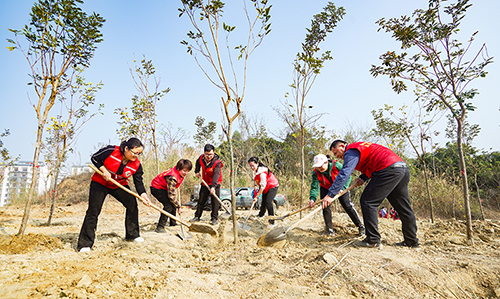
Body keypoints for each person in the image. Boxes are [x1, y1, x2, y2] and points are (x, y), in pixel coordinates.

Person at [322, 140, 419, 248]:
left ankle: (372, 239)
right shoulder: (361, 146)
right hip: (401, 168)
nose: (337, 156)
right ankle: (411, 241)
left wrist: (330, 194)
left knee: (368, 201)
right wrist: (363, 177)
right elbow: (373, 163)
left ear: (342, 146)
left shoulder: (351, 150)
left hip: (387, 169)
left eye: (336, 152)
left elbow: (345, 173)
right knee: (403, 207)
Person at [77, 138, 152, 252]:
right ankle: (85, 244)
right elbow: (95, 158)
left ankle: (132, 235)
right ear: (126, 148)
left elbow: (138, 181)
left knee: (132, 204)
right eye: (134, 153)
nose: (136, 156)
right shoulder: (111, 151)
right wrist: (104, 171)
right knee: (93, 211)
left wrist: (143, 195)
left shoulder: (136, 164)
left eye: (139, 154)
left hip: (118, 185)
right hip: (100, 184)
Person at [308, 154, 365, 237]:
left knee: (347, 205)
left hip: (340, 187)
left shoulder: (336, 166)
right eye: (317, 166)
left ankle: (361, 226)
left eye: (321, 165)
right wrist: (312, 199)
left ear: (326, 162)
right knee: (325, 206)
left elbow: (347, 176)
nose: (319, 168)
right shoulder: (316, 172)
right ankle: (329, 229)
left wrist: (343, 188)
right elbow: (315, 186)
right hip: (325, 188)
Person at [150, 159, 193, 233]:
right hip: (156, 188)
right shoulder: (172, 177)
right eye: (184, 170)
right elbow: (171, 195)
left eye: (188, 171)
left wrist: (176, 204)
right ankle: (160, 227)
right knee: (168, 205)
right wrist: (179, 206)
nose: (186, 173)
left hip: (163, 188)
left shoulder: (179, 172)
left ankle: (173, 223)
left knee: (173, 203)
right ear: (179, 168)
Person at [190, 144, 223, 226]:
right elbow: (197, 163)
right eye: (207, 154)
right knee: (201, 200)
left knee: (215, 202)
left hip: (215, 184)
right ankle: (197, 216)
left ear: (214, 153)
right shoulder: (201, 158)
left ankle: (214, 218)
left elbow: (216, 175)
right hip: (205, 183)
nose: (209, 156)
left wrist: (213, 187)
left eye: (211, 154)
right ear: (204, 153)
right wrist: (197, 171)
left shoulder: (217, 162)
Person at [248, 156, 279, 227]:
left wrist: (256, 196)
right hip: (266, 187)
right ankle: (260, 215)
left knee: (268, 202)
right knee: (263, 202)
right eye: (250, 166)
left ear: (257, 164)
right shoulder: (255, 171)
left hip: (273, 186)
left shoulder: (262, 172)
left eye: (253, 165)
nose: (252, 167)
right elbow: (259, 183)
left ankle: (272, 221)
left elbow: (262, 186)